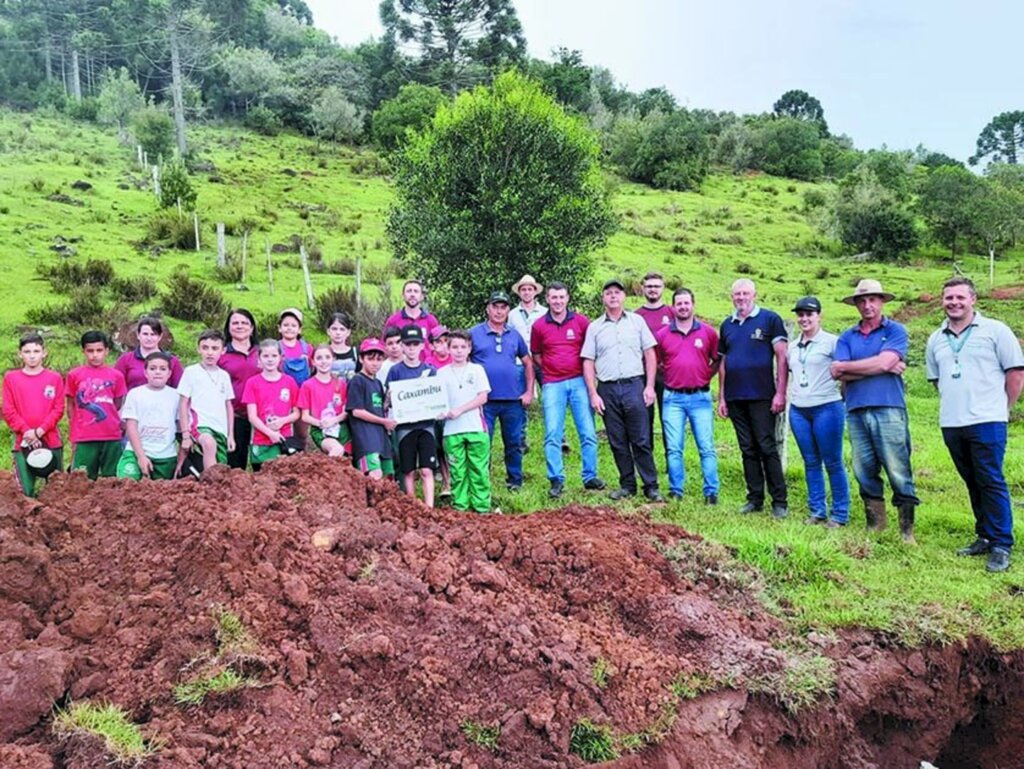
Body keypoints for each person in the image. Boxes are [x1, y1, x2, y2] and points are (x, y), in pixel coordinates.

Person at [925, 277, 1024, 572]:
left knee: (990, 479)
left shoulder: (995, 331)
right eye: (948, 298)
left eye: (960, 297)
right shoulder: (935, 338)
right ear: (942, 301)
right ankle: (983, 535)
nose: (954, 303)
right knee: (971, 479)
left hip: (988, 420)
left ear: (973, 300)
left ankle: (1001, 544)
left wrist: (1002, 408)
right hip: (952, 422)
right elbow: (936, 381)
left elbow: (1016, 374)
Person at [831, 279, 918, 543]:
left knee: (897, 467)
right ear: (856, 304)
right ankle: (875, 524)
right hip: (855, 409)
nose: (867, 305)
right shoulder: (847, 336)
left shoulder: (895, 331)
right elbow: (836, 370)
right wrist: (880, 365)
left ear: (882, 302)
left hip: (889, 407)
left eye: (872, 300)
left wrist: (855, 368)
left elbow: (876, 363)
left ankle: (906, 532)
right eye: (862, 300)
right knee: (863, 468)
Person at [581, 279, 663, 502]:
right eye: (608, 293)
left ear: (624, 296)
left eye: (617, 292)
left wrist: (649, 386)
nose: (613, 296)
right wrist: (593, 393)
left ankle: (651, 486)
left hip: (634, 385)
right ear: (603, 298)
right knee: (617, 440)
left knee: (641, 438)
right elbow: (588, 361)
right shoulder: (595, 327)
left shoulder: (637, 322)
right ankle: (627, 485)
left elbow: (650, 354)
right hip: (607, 388)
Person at [717, 278, 789, 518]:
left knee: (766, 446)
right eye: (737, 294)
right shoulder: (727, 325)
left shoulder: (770, 319)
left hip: (762, 395)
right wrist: (722, 398)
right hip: (736, 396)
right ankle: (754, 498)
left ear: (754, 295)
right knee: (747, 449)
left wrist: (780, 392)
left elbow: (781, 357)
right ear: (731, 298)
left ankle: (779, 501)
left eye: (745, 293)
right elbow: (724, 364)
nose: (741, 297)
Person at [530, 281, 605, 498]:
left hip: (580, 382)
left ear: (568, 298)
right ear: (547, 299)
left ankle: (590, 476)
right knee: (553, 433)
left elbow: (590, 352)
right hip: (553, 384)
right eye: (554, 297)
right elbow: (536, 355)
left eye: (561, 297)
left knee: (588, 431)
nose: (558, 301)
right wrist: (552, 369)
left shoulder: (581, 322)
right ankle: (556, 479)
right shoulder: (539, 326)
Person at [785, 297, 850, 528]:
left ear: (819, 316)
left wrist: (842, 398)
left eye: (809, 314)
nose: (804, 319)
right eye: (800, 315)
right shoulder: (792, 346)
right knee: (810, 461)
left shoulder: (832, 342)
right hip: (799, 409)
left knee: (833, 461)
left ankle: (840, 513)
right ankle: (817, 510)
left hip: (827, 407)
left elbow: (844, 371)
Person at [655, 288, 720, 504]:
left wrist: (705, 375)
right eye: (679, 304)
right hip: (672, 398)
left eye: (686, 303)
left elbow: (717, 360)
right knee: (674, 447)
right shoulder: (662, 335)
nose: (683, 307)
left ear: (693, 304)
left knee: (706, 447)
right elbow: (656, 362)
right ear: (673, 307)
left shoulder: (708, 333)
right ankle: (676, 490)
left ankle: (711, 491)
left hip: (700, 398)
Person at [470, 291, 534, 491]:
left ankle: (515, 481)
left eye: (503, 307)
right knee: (483, 443)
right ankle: (483, 482)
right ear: (488, 308)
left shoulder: (514, 335)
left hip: (512, 400)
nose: (499, 311)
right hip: (484, 401)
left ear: (508, 310)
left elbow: (528, 362)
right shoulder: (474, 333)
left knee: (514, 442)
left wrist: (529, 391)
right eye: (495, 307)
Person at [2, 333, 64, 497]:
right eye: (27, 352)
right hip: (22, 442)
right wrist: (27, 431)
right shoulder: (11, 378)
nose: (32, 356)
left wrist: (40, 432)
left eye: (36, 351)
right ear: (20, 353)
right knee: (25, 491)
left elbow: (58, 409)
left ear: (44, 352)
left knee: (57, 490)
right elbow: (8, 410)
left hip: (51, 440)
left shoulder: (54, 378)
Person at [437, 330, 492, 513]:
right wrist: (439, 412)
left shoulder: (477, 370)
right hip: (451, 431)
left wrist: (460, 410)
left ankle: (482, 507)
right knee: (457, 472)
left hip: (475, 427)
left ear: (469, 349)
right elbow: (436, 400)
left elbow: (483, 397)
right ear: (448, 349)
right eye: (455, 347)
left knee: (478, 470)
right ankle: (460, 507)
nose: (459, 351)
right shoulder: (441, 373)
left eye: (463, 347)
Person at [385, 325, 439, 507]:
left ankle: (429, 507)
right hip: (404, 428)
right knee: (408, 470)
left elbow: (436, 398)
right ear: (402, 346)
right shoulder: (395, 371)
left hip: (426, 426)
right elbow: (389, 399)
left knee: (426, 469)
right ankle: (412, 506)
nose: (411, 348)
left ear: (422, 346)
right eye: (408, 344)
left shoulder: (430, 371)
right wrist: (391, 398)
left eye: (415, 344)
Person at [66, 330, 127, 480]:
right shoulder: (74, 375)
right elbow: (71, 406)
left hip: (111, 435)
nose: (95, 355)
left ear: (106, 351)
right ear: (83, 352)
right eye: (90, 351)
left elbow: (118, 403)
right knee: (82, 479)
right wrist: (75, 432)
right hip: (85, 436)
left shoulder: (116, 376)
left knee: (112, 479)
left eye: (99, 350)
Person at [116, 352, 181, 480]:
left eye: (162, 369)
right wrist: (141, 456)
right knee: (127, 484)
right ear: (145, 372)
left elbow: (181, 426)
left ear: (169, 373)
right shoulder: (135, 394)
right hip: (135, 452)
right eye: (152, 368)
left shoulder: (177, 396)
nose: (157, 372)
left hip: (165, 455)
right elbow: (131, 427)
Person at [177, 329, 235, 471]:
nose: (210, 352)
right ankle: (212, 486)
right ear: (199, 349)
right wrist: (185, 434)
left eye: (215, 348)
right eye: (205, 348)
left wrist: (230, 435)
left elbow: (228, 405)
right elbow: (183, 403)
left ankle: (213, 487)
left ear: (223, 350)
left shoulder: (224, 376)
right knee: (209, 444)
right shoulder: (191, 372)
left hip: (220, 428)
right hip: (200, 425)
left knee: (220, 465)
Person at [241, 340, 301, 470]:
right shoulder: (252, 383)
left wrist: (282, 421)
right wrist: (269, 433)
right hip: (261, 442)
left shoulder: (289, 382)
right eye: (266, 356)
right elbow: (252, 416)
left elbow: (296, 413)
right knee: (262, 483)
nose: (270, 360)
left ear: (281, 358)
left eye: (274, 356)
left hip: (284, 440)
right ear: (259, 359)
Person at [635, 272, 674, 455]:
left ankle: (671, 459)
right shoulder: (636, 316)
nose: (652, 290)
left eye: (656, 286)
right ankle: (647, 460)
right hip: (642, 375)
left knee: (669, 419)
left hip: (668, 376)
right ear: (643, 288)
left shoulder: (672, 313)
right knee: (644, 419)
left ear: (663, 289)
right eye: (649, 286)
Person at [347, 338, 398, 480]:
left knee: (388, 478)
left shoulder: (377, 383)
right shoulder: (357, 380)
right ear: (362, 359)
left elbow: (378, 407)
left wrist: (388, 400)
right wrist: (383, 421)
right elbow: (356, 411)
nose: (375, 363)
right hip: (366, 439)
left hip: (381, 438)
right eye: (371, 359)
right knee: (374, 476)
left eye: (379, 359)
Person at [219, 309, 260, 469]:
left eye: (244, 323)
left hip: (262, 415)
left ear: (251, 328)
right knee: (236, 462)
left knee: (264, 463)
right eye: (235, 323)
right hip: (235, 415)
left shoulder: (262, 352)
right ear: (228, 327)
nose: (240, 326)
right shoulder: (222, 355)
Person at [299, 345, 350, 459]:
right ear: (313, 361)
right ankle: (328, 474)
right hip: (320, 429)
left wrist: (334, 420)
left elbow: (346, 411)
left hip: (340, 428)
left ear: (333, 359)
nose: (323, 361)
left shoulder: (341, 384)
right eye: (319, 358)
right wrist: (321, 423)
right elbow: (305, 416)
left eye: (327, 357)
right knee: (337, 450)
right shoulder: (308, 385)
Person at [115, 316, 184, 390]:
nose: (149, 338)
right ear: (138, 335)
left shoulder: (172, 361)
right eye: (145, 334)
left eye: (153, 334)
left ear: (160, 336)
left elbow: (181, 390)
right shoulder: (125, 360)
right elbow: (116, 386)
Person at [383, 280, 440, 360]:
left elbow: (438, 346)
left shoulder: (431, 320)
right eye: (409, 291)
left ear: (421, 296)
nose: (412, 294)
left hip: (426, 367)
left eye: (416, 291)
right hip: (401, 367)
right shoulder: (394, 320)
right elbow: (384, 345)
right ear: (403, 295)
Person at [277, 307, 314, 388]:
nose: (289, 328)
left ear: (300, 329)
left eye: (294, 325)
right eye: (286, 325)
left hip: (304, 392)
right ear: (279, 328)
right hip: (283, 392)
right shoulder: (275, 348)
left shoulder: (308, 348)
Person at [325, 312, 359, 380]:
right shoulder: (323, 352)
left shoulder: (356, 353)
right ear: (328, 331)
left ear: (348, 332)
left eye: (342, 329)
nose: (338, 333)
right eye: (334, 329)